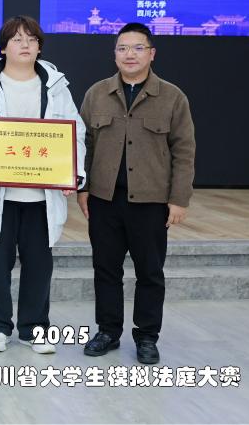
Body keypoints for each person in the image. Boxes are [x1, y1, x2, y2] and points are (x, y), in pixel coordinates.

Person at [0, 16, 85, 355]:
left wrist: (73, 173)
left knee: (39, 265)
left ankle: (34, 329)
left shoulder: (56, 86)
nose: (25, 44)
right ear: (3, 47)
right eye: (17, 39)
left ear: (40, 46)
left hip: (42, 195)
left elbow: (75, 133)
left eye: (31, 39)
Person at [78, 22, 195, 365]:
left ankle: (146, 337)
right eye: (122, 48)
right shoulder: (97, 93)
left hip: (151, 202)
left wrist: (179, 199)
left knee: (150, 272)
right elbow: (83, 144)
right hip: (104, 200)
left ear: (151, 53)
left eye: (138, 48)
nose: (130, 54)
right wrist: (83, 188)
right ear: (114, 54)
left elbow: (184, 151)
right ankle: (107, 331)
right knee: (105, 269)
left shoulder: (172, 97)